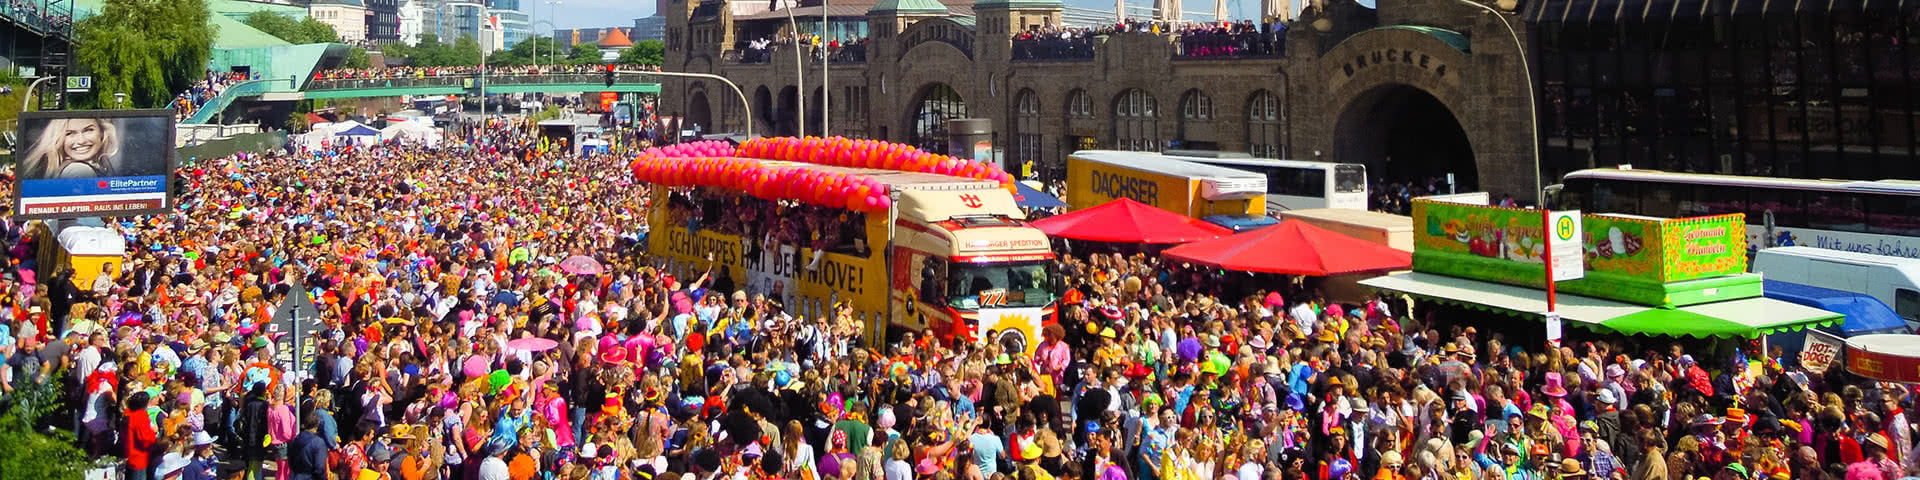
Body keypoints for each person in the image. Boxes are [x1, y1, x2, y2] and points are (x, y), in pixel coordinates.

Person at [21, 117, 119, 179]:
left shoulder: (97, 166)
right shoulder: (79, 170)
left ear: (102, 133)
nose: (81, 141)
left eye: (88, 130)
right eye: (70, 133)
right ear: (58, 139)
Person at [287, 413, 331, 480]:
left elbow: (290, 460)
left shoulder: (296, 438)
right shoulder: (318, 443)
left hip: (295, 476)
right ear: (317, 426)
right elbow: (320, 468)